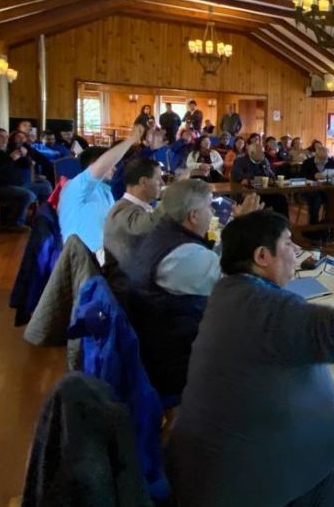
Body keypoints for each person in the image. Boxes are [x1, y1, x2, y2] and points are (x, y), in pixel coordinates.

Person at [166, 214, 334, 507]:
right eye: (287, 242)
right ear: (262, 256)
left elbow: (279, 347)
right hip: (262, 483)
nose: (296, 250)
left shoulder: (230, 294)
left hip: (224, 463)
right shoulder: (262, 306)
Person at [122, 179, 261, 399]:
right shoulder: (182, 256)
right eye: (209, 206)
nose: (213, 212)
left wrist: (237, 221)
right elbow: (234, 282)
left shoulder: (166, 234)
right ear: (193, 216)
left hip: (163, 340)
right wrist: (248, 228)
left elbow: (214, 260)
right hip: (176, 358)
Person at [57, 125, 145, 253]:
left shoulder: (104, 190)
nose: (114, 168)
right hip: (84, 261)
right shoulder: (74, 187)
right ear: (93, 165)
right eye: (111, 165)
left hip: (105, 255)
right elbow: (102, 166)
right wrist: (132, 139)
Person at [102, 157, 164, 281]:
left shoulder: (134, 207)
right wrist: (174, 197)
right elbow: (147, 226)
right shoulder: (124, 212)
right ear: (143, 182)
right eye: (158, 179)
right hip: (129, 290)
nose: (162, 183)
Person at [0, 128, 52, 230]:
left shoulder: (6, 150)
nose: (4, 140)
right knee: (28, 195)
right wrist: (10, 159)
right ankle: (15, 223)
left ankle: (40, 217)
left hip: (17, 184)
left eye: (6, 137)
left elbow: (27, 164)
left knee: (45, 186)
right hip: (0, 187)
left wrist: (24, 155)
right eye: (0, 137)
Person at [230, 141, 288, 217]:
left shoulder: (264, 161)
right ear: (252, 153)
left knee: (280, 198)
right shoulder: (240, 161)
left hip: (265, 192)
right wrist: (255, 180)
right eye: (261, 153)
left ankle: (282, 224)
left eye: (263, 152)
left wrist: (272, 180)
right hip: (248, 193)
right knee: (254, 199)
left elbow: (272, 176)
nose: (263, 154)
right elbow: (239, 178)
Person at [300, 144, 334, 224]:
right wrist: (313, 176)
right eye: (321, 158)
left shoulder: (330, 161)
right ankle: (314, 224)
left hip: (327, 188)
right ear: (316, 156)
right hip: (310, 189)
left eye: (325, 158)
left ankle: (329, 224)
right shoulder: (308, 162)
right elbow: (301, 176)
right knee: (316, 198)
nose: (324, 160)